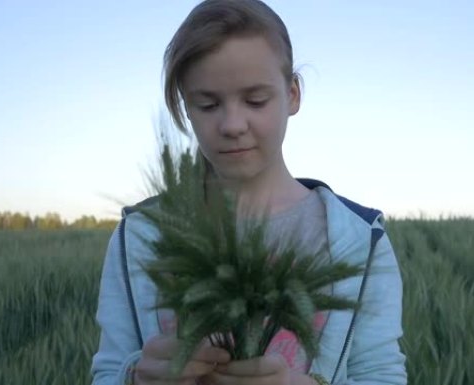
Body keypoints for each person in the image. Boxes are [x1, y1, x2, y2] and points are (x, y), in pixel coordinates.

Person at [90, 1, 406, 384]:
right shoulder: (139, 236)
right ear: (186, 107)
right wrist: (136, 378)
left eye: (256, 100)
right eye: (207, 104)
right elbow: (107, 371)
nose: (232, 124)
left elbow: (382, 375)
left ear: (292, 94)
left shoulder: (361, 239)